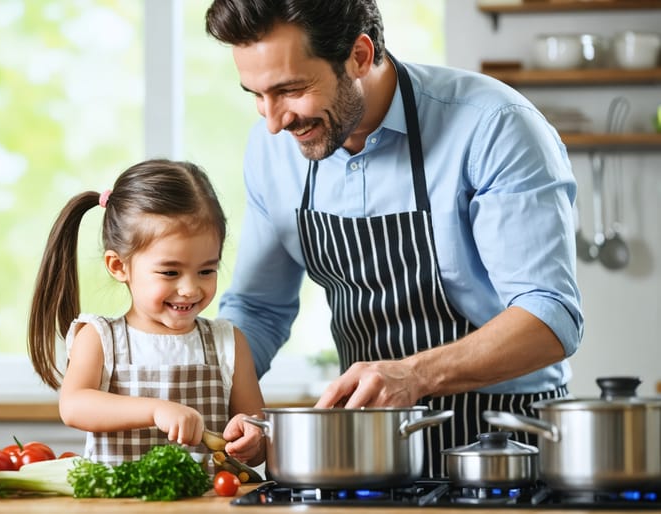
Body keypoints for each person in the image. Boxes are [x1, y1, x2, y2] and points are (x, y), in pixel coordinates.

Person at [205, 0, 583, 477]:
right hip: (370, 450)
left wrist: (414, 375)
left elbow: (550, 317)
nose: (274, 121)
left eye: (291, 90)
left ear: (360, 55)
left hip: (505, 444)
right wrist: (201, 387)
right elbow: (259, 309)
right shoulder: (272, 149)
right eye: (256, 95)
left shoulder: (493, 125)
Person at [27, 158, 266, 467]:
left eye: (207, 270)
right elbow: (73, 406)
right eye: (170, 272)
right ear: (119, 266)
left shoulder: (227, 342)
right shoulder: (101, 339)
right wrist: (156, 410)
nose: (190, 289)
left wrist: (252, 438)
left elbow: (259, 433)